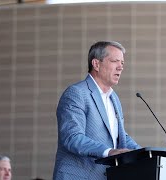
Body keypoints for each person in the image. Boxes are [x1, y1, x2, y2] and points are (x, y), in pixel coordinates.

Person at [53, 41, 141, 180]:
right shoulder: (76, 93)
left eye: (122, 63)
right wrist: (109, 152)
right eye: (114, 61)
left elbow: (119, 136)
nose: (120, 67)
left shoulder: (114, 98)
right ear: (96, 64)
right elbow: (72, 137)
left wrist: (144, 154)